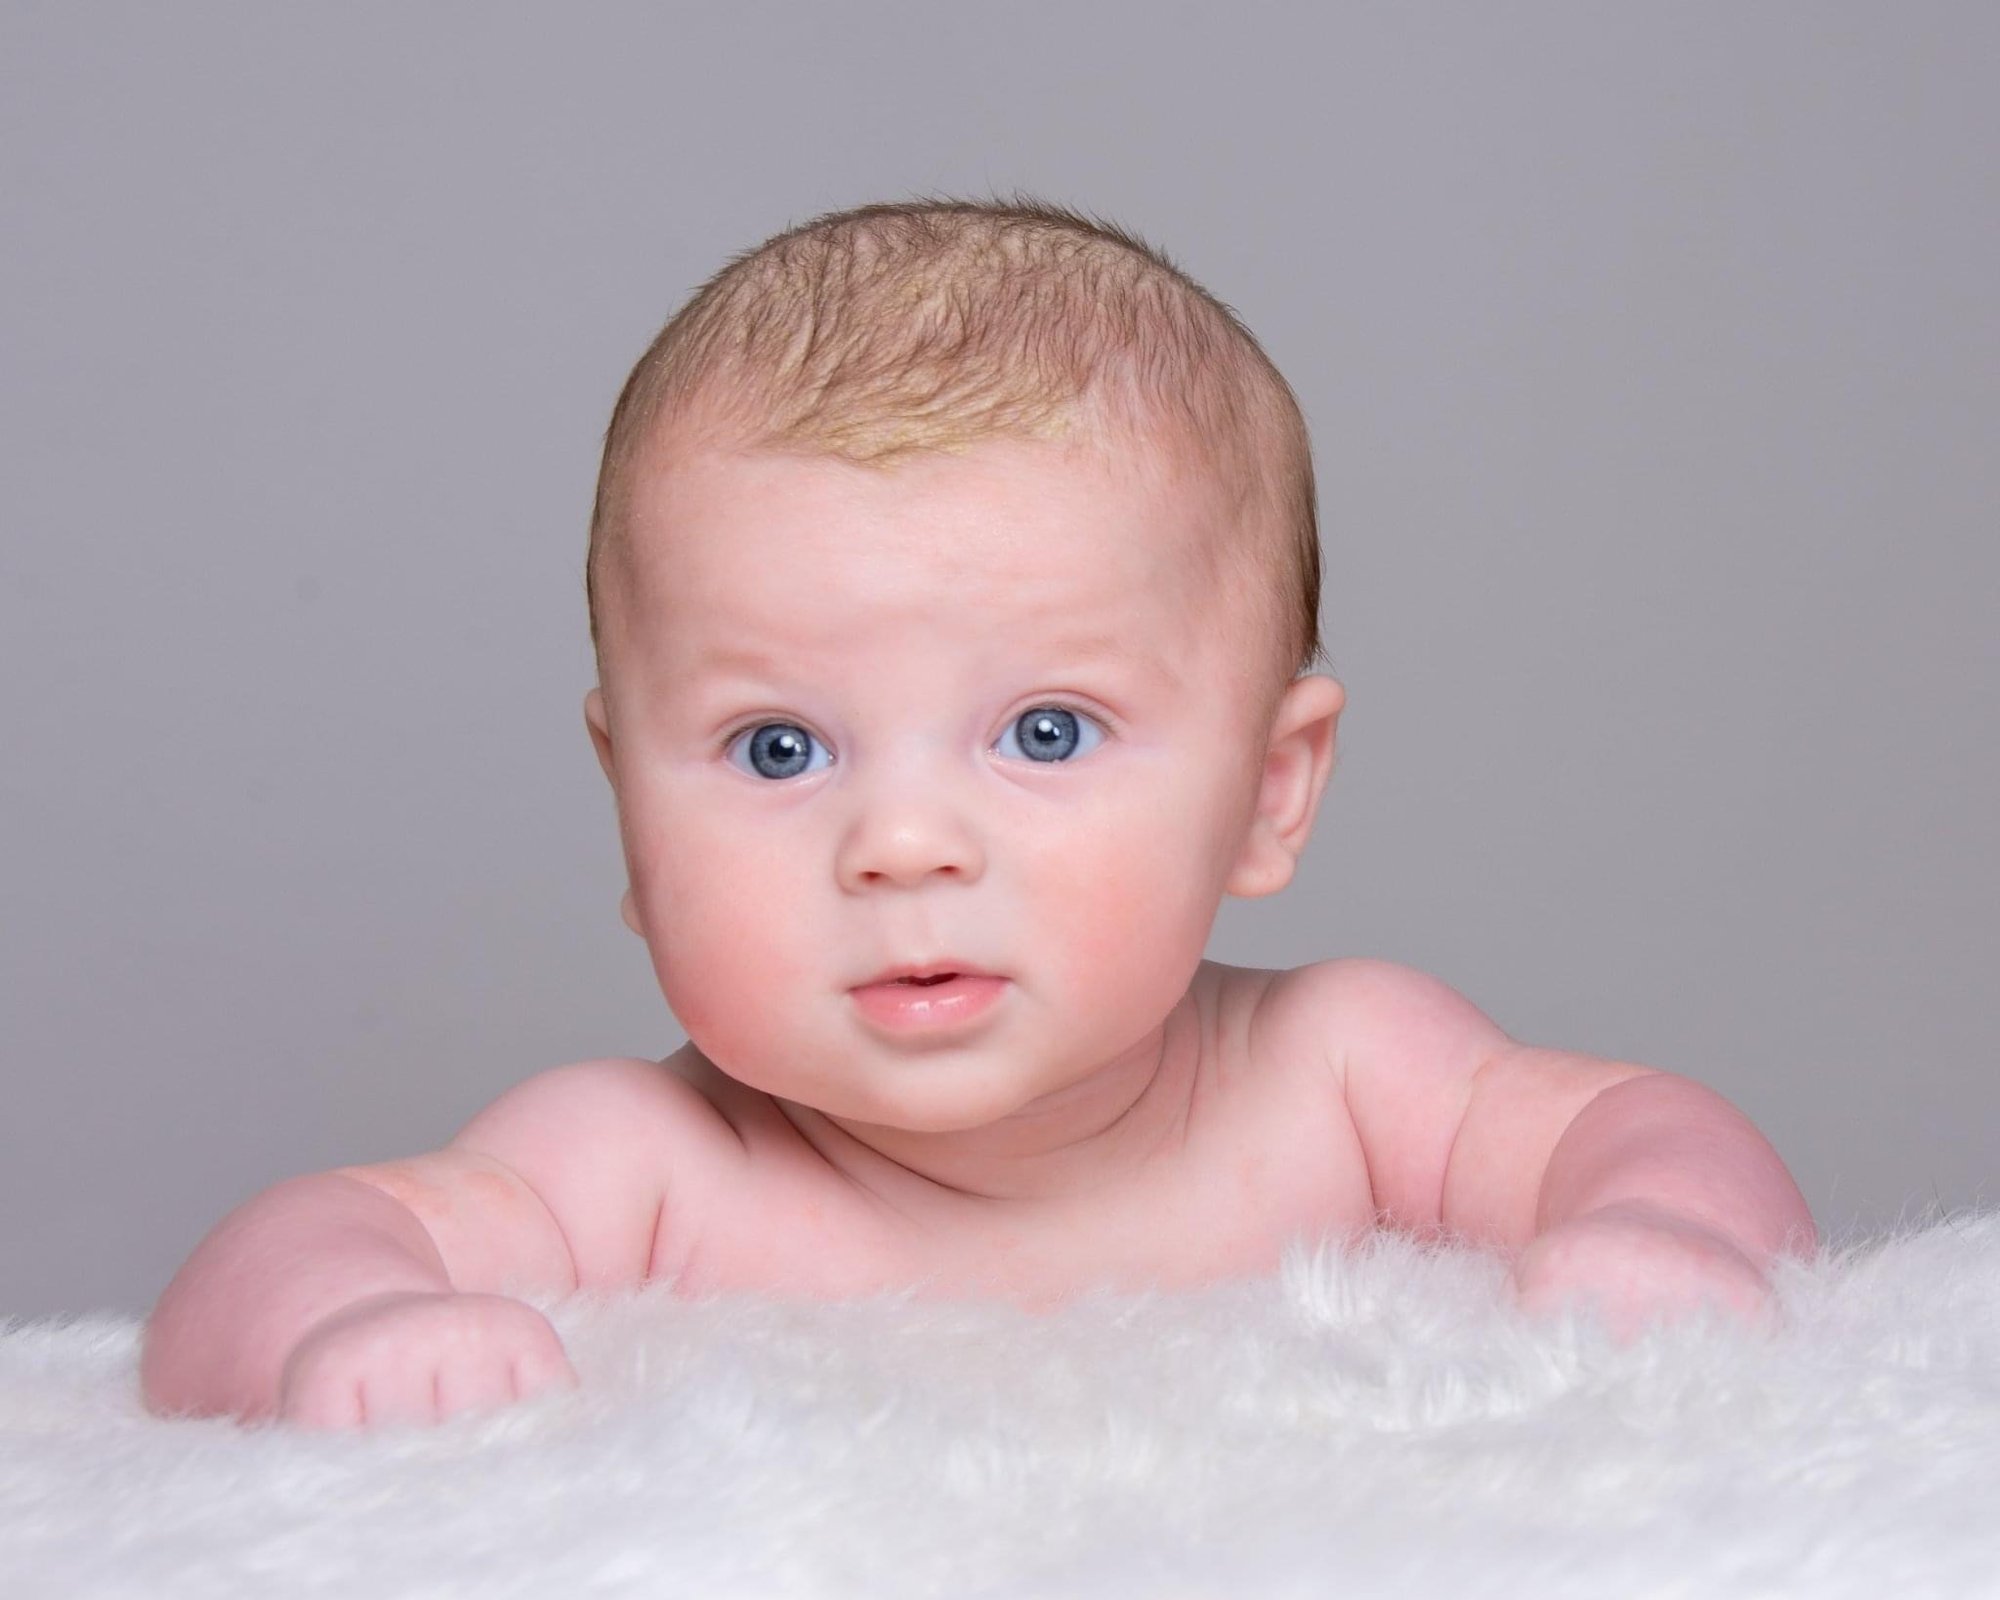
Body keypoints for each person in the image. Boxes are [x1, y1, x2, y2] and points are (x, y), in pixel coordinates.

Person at [140, 197, 1817, 1431]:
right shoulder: (647, 1165)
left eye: (1043, 729)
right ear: (624, 814)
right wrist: (344, 1326)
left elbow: (1638, 1133)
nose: (903, 847)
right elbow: (270, 1268)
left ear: (1267, 793)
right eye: (780, 750)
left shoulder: (1343, 1074)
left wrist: (1653, 1228)